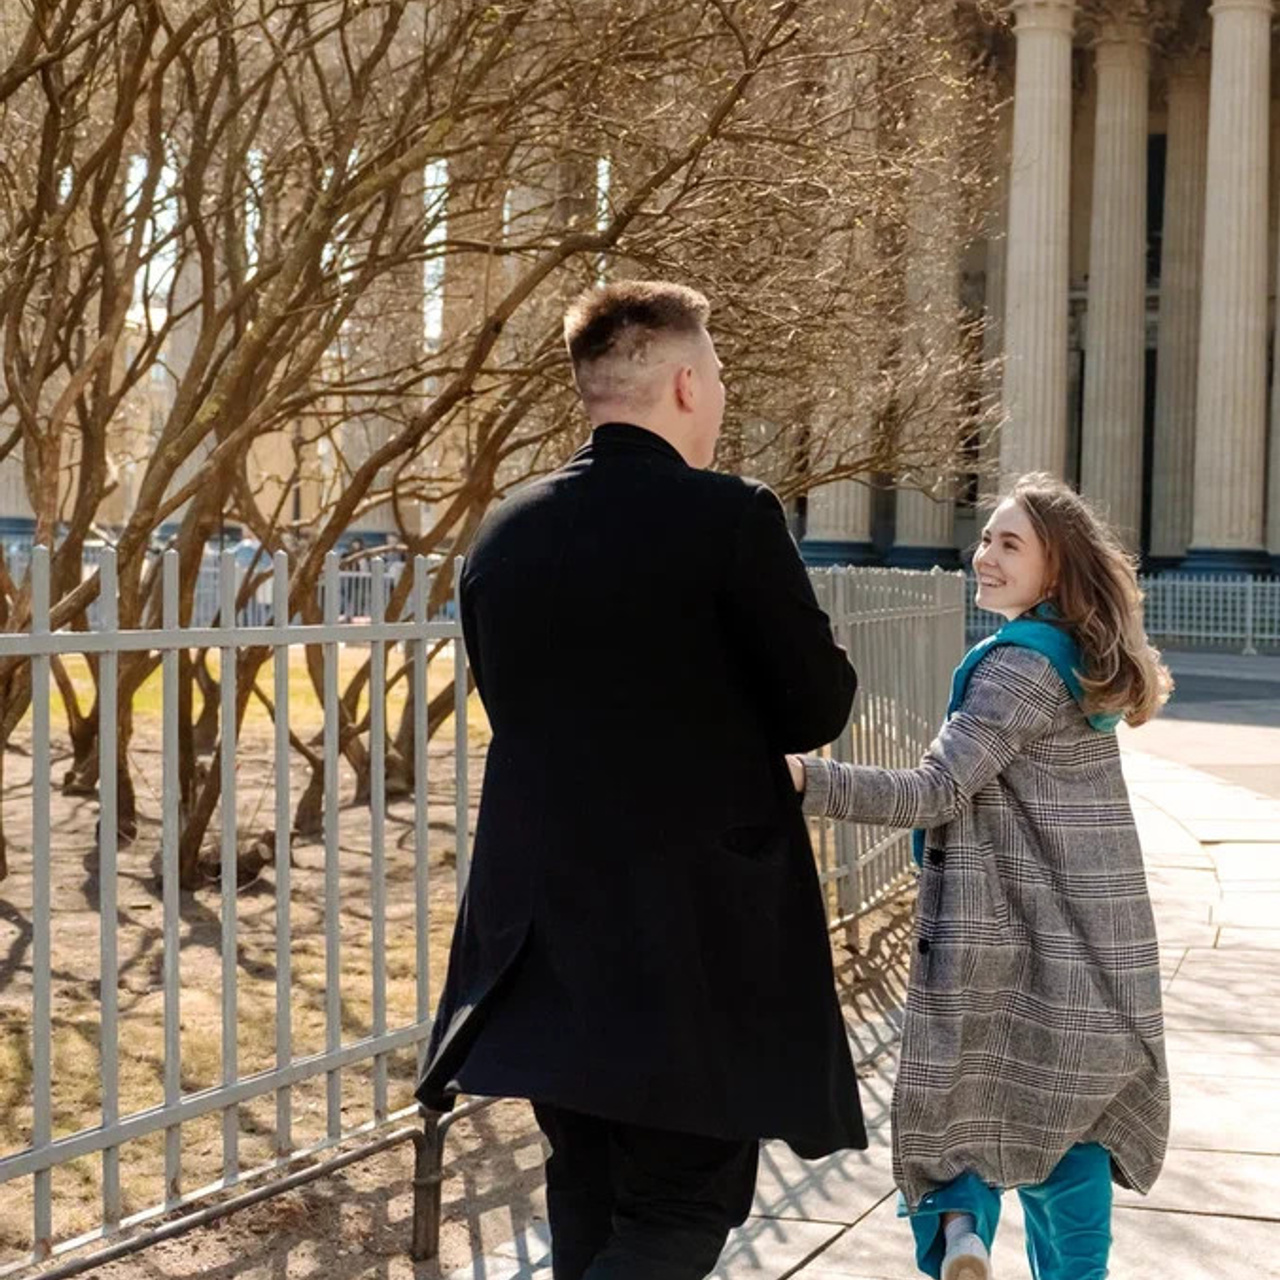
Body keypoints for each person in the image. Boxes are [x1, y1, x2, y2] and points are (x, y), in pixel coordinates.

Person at [418, 280, 866, 1280]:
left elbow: (513, 702)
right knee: (675, 1208)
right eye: (712, 376)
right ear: (677, 384)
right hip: (688, 942)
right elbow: (814, 706)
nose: (717, 395)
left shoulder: (505, 530)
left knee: (586, 1191)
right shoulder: (730, 519)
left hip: (541, 933)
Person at [788, 474, 1171, 1280]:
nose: (983, 556)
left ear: (1056, 571)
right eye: (986, 537)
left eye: (1009, 544)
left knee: (963, 1105)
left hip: (1016, 943)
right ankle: (992, 1246)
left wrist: (803, 780)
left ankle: (962, 1235)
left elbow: (935, 791)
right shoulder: (1077, 665)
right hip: (1093, 949)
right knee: (1069, 1141)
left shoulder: (1017, 669)